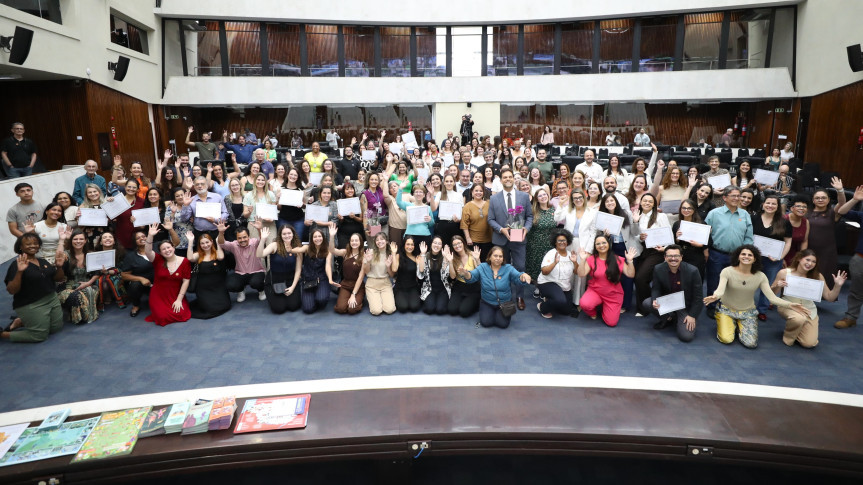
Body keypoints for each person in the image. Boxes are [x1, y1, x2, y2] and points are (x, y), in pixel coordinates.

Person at [703, 245, 807, 348]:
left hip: (748, 312)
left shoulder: (760, 276)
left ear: (755, 259)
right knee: (726, 339)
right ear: (738, 256)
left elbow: (772, 298)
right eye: (743, 254)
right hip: (726, 310)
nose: (746, 256)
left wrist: (790, 305)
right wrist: (715, 296)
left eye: (750, 255)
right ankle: (728, 322)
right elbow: (720, 289)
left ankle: (737, 325)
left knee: (750, 343)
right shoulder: (727, 271)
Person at [771, 250, 847, 348]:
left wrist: (837, 286)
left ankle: (798, 328)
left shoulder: (818, 276)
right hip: (789, 306)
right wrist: (778, 285)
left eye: (813, 262)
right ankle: (788, 337)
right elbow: (772, 294)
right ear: (799, 259)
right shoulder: (784, 273)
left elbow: (830, 297)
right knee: (798, 319)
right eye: (807, 260)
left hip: (808, 310)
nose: (810, 263)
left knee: (809, 344)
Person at [2, 234, 66, 343]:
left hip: (51, 299)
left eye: (36, 243)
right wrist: (20, 272)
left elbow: (58, 279)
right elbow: (12, 290)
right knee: (40, 336)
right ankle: (3, 334)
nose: (33, 246)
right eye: (28, 244)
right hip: (31, 304)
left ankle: (22, 321)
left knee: (56, 328)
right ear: (20, 247)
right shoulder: (16, 264)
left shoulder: (43, 261)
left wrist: (59, 266)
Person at [487, 168, 533, 310]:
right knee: (501, 269)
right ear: (501, 180)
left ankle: (519, 296)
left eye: (510, 177)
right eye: (505, 177)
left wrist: (526, 228)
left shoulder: (524, 197)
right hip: (501, 239)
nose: (507, 179)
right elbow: (490, 219)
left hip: (519, 239)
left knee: (520, 267)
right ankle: (504, 295)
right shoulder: (494, 198)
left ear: (514, 179)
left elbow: (530, 217)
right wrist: (501, 229)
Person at [704, 186, 753, 317]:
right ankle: (712, 306)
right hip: (717, 253)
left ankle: (729, 306)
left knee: (734, 283)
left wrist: (746, 254)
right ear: (724, 197)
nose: (737, 198)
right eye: (733, 196)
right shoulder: (714, 213)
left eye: (739, 196)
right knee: (714, 280)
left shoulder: (745, 215)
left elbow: (748, 237)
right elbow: (705, 234)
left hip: (737, 256)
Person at [460, 245, 532, 329]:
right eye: (495, 256)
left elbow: (518, 276)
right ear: (489, 257)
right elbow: (472, 277)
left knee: (502, 324)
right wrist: (466, 274)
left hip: (504, 303)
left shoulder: (508, 268)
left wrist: (523, 276)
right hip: (487, 302)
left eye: (500, 256)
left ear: (503, 258)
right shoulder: (482, 267)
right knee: (486, 323)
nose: (498, 258)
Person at [642, 245, 703, 342]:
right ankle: (668, 318)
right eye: (670, 256)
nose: (673, 259)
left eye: (676, 256)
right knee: (647, 303)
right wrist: (655, 299)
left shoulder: (693, 271)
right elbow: (656, 288)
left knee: (686, 337)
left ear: (681, 257)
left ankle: (677, 319)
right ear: (665, 257)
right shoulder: (658, 268)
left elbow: (698, 297)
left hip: (685, 306)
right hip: (668, 302)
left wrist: (692, 316)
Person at [577, 234, 637, 326]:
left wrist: (630, 261)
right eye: (598, 244)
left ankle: (605, 307)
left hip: (613, 294)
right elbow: (581, 274)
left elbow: (630, 274)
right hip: (595, 291)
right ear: (595, 247)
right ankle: (593, 312)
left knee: (611, 323)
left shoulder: (618, 259)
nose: (601, 245)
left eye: (604, 242)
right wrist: (582, 260)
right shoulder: (591, 259)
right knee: (585, 304)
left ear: (609, 244)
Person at [751, 194, 793, 321]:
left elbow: (788, 242)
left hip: (773, 260)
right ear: (763, 204)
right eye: (768, 203)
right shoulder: (753, 218)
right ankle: (746, 306)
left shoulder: (784, 222)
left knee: (768, 285)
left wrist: (780, 257)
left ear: (778, 206)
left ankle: (761, 310)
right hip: (753, 258)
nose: (770, 206)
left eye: (774, 204)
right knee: (749, 282)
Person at [142, 223, 192, 326]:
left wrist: (179, 299)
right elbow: (147, 251)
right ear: (160, 252)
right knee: (163, 317)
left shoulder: (184, 261)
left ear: (173, 248)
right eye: (163, 249)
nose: (167, 250)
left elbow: (186, 281)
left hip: (175, 294)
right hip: (158, 295)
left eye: (169, 247)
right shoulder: (158, 260)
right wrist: (150, 235)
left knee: (182, 315)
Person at [632, 193, 672, 315]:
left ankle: (647, 307)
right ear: (641, 202)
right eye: (645, 201)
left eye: (650, 201)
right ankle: (645, 306)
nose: (647, 203)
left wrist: (665, 249)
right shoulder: (636, 216)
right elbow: (634, 235)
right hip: (641, 250)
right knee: (638, 278)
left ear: (654, 204)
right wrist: (640, 236)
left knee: (641, 278)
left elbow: (668, 235)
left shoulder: (661, 216)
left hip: (656, 251)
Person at [807, 179, 846, 287]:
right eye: (817, 198)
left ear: (829, 200)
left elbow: (842, 203)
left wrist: (840, 190)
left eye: (823, 198)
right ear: (813, 200)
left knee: (823, 276)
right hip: (808, 249)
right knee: (806, 275)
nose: (820, 200)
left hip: (826, 252)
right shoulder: (806, 212)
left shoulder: (832, 213)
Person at [257, 224, 303, 314]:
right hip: (275, 279)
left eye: (289, 233)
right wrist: (262, 240)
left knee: (293, 306)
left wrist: (293, 287)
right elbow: (259, 255)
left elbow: (298, 270)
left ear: (293, 234)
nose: (287, 236)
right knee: (279, 308)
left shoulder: (297, 247)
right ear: (280, 235)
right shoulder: (274, 245)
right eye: (284, 234)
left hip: (291, 278)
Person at [57, 229, 100, 325]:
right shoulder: (66, 254)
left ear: (85, 241)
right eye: (75, 239)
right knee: (77, 296)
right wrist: (61, 239)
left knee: (90, 290)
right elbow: (58, 258)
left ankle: (89, 316)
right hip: (67, 286)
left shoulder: (90, 254)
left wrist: (89, 283)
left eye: (81, 239)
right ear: (71, 241)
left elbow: (97, 272)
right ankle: (78, 317)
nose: (78, 241)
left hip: (87, 283)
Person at [217, 221, 266, 302]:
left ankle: (261, 291)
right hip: (240, 273)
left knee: (256, 282)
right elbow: (221, 243)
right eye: (239, 238)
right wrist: (221, 232)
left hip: (257, 271)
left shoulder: (254, 242)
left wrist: (259, 229)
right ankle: (241, 290)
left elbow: (262, 239)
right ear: (236, 238)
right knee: (231, 285)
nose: (242, 240)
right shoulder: (234, 245)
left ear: (248, 237)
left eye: (244, 237)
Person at [185, 232, 230, 320]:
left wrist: (218, 243)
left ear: (211, 242)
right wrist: (190, 242)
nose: (205, 245)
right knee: (210, 309)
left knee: (224, 306)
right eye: (202, 243)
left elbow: (221, 257)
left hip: (218, 287)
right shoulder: (198, 254)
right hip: (203, 288)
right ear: (200, 245)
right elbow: (190, 258)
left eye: (207, 242)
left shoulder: (216, 253)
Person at [536, 229, 580, 319]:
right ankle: (542, 306)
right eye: (559, 240)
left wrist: (575, 262)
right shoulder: (551, 253)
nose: (562, 242)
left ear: (567, 242)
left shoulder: (570, 255)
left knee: (567, 311)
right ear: (555, 242)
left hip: (563, 286)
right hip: (548, 282)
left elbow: (576, 272)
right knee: (560, 300)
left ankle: (551, 299)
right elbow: (544, 272)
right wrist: (555, 263)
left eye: (564, 240)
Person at [291, 227, 335, 314]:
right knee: (308, 309)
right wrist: (289, 248)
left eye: (319, 236)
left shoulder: (327, 250)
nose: (317, 238)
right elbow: (298, 250)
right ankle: (312, 298)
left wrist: (330, 279)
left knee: (321, 299)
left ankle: (320, 294)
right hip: (308, 279)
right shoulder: (307, 248)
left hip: (321, 279)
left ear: (323, 237)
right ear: (312, 239)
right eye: (315, 237)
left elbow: (328, 266)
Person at [180, 176, 230, 244]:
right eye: (197, 184)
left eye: (202, 184)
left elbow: (225, 213)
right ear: (194, 187)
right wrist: (185, 205)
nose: (200, 186)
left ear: (207, 185)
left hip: (216, 231)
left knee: (218, 253)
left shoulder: (217, 197)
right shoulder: (191, 200)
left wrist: (215, 219)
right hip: (199, 233)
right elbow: (184, 219)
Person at [526, 187, 557, 286]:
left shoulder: (554, 209)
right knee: (536, 267)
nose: (543, 197)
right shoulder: (533, 211)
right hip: (535, 245)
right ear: (536, 199)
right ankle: (537, 287)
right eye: (540, 195)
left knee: (548, 265)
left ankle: (547, 287)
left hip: (550, 245)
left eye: (544, 194)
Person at [672, 199, 709, 280]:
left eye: (689, 208)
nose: (686, 210)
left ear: (694, 210)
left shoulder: (702, 224)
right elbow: (674, 244)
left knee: (696, 281)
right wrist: (677, 238)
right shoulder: (676, 224)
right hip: (682, 256)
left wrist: (700, 245)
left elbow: (708, 242)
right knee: (681, 281)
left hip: (696, 255)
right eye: (684, 208)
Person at [120, 230, 154, 317]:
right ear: (135, 242)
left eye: (143, 236)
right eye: (138, 238)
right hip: (143, 284)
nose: (141, 238)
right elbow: (124, 275)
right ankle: (136, 305)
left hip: (159, 280)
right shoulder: (131, 256)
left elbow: (175, 243)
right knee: (134, 285)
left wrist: (170, 229)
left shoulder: (157, 247)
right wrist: (141, 279)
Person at [363, 233, 398, 315]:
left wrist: (388, 267)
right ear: (375, 242)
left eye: (382, 239)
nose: (379, 241)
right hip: (372, 284)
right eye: (377, 240)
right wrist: (368, 262)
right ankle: (375, 298)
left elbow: (392, 275)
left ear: (386, 241)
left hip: (385, 284)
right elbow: (366, 272)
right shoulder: (370, 252)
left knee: (390, 310)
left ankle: (382, 298)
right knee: (376, 311)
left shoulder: (390, 254)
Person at [418, 236, 451, 315]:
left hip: (442, 289)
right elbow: (421, 271)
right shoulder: (425, 256)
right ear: (431, 244)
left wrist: (446, 259)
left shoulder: (445, 256)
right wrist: (422, 254)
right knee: (430, 309)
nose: (436, 245)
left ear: (441, 246)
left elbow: (446, 275)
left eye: (439, 244)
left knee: (440, 310)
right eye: (435, 243)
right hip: (429, 288)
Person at [784, 196, 810, 266]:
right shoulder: (783, 219)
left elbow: (805, 241)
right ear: (792, 208)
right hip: (780, 254)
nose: (801, 208)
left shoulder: (806, 222)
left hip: (795, 256)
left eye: (804, 207)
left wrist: (801, 257)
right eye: (798, 206)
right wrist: (781, 258)